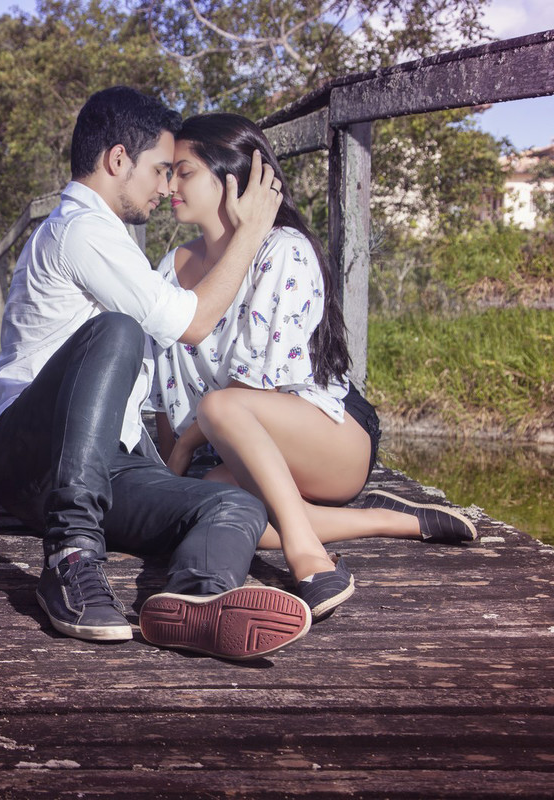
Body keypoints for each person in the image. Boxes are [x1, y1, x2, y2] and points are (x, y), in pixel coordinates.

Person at [0, 87, 312, 661]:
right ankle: (70, 557)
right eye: (159, 170)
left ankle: (198, 599)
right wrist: (252, 231)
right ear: (116, 161)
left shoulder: (113, 242)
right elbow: (194, 322)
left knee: (234, 506)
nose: (166, 187)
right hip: (27, 452)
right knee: (119, 330)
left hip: (104, 461)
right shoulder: (80, 230)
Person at [150, 113, 477, 620]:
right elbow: (165, 384)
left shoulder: (284, 250)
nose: (169, 184)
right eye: (168, 171)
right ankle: (383, 520)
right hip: (238, 452)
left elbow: (260, 391)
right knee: (213, 503)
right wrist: (170, 475)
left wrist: (186, 446)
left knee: (221, 406)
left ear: (232, 177)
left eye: (184, 171)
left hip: (328, 432)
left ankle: (309, 556)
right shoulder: (169, 268)